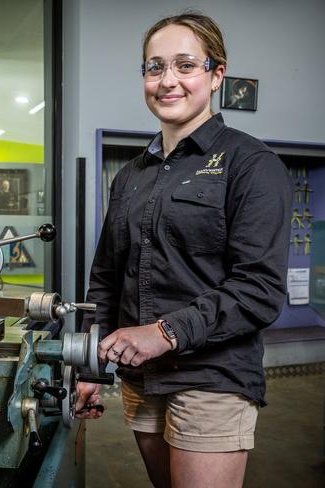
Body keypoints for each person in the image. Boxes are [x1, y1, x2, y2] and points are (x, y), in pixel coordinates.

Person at [75, 12, 291, 488]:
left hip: (212, 377)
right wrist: (90, 363)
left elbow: (260, 289)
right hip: (141, 379)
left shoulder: (251, 164)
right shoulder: (131, 175)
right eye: (154, 67)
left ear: (216, 75)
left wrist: (165, 331)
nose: (167, 80)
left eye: (185, 65)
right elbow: (107, 278)